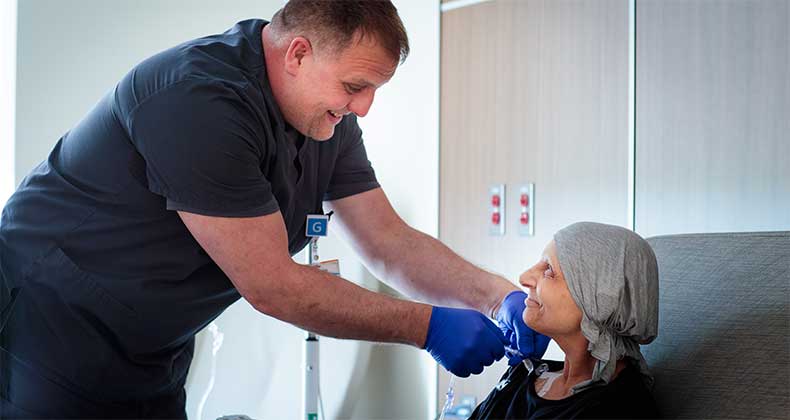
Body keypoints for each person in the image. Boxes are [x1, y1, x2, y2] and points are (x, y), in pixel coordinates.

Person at [0, 1, 548, 417]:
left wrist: (497, 295)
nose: (364, 108)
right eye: (355, 86)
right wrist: (427, 327)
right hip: (50, 330)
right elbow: (273, 285)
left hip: (153, 345)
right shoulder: (197, 99)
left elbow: (387, 240)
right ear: (298, 53)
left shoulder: (328, 122)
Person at [468, 222, 660, 419]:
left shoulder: (621, 408)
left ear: (602, 299)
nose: (524, 278)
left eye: (549, 270)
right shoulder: (523, 373)